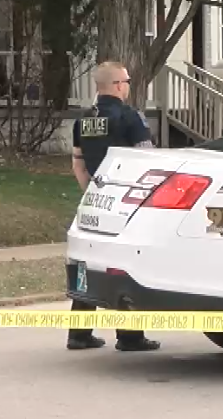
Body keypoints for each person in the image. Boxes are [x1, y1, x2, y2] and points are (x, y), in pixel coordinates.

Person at [67, 61, 161, 352]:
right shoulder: (130, 117)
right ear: (118, 85)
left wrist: (91, 194)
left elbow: (78, 163)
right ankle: (130, 336)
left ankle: (78, 335)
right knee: (123, 267)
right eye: (127, 81)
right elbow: (148, 161)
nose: (128, 85)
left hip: (95, 199)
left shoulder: (83, 120)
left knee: (86, 264)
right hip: (125, 202)